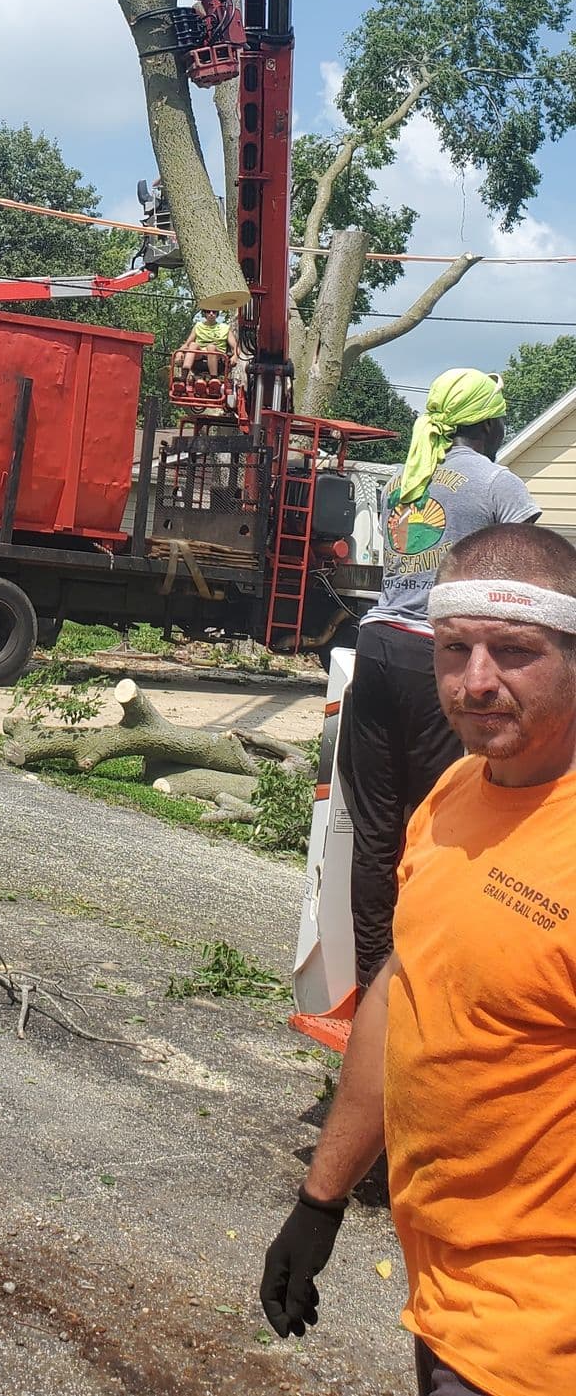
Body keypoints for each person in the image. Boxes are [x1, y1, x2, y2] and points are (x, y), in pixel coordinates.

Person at [261, 522, 576, 1396]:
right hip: (444, 1295)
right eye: (453, 649)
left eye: (515, 651)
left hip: (540, 1338)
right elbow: (402, 993)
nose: (476, 680)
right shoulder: (452, 796)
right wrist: (320, 1200)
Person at [339, 367, 539, 992]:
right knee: (440, 821)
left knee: (377, 828)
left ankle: (372, 984)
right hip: (437, 657)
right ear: (488, 424)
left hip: (376, 647)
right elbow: (530, 578)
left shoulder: (408, 477)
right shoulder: (496, 483)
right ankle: (423, 984)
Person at [172, 305, 238, 385]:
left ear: (217, 314)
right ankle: (183, 378)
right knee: (193, 345)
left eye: (214, 312)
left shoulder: (225, 328)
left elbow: (235, 346)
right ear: (205, 314)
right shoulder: (198, 326)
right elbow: (187, 344)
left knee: (211, 347)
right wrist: (179, 352)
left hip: (218, 358)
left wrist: (235, 356)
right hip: (199, 357)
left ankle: (214, 379)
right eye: (208, 311)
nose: (211, 314)